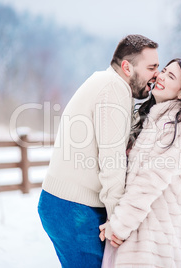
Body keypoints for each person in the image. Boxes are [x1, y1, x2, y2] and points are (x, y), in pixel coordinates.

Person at [37, 34, 159, 267]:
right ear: (127, 67)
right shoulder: (114, 90)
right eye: (151, 67)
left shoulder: (106, 83)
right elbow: (111, 161)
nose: (156, 74)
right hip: (74, 209)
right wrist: (118, 223)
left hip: (67, 205)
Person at [99, 58, 181, 267]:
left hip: (153, 236)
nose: (161, 76)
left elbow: (147, 183)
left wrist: (118, 226)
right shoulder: (153, 119)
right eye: (163, 71)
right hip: (140, 228)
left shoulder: (174, 129)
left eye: (170, 76)